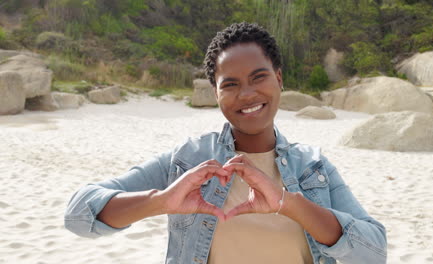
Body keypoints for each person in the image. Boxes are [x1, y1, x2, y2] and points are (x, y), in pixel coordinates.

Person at [64, 22, 387, 264]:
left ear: (279, 78)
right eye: (230, 84)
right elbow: (78, 214)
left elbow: (374, 250)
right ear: (216, 93)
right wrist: (160, 202)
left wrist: (286, 203)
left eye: (258, 77)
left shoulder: (312, 166)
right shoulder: (188, 160)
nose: (246, 94)